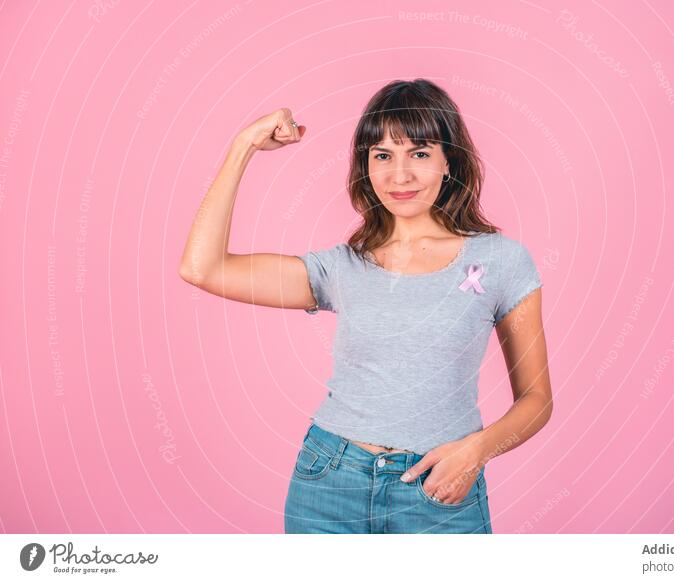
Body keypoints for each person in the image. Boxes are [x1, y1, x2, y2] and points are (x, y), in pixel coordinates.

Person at [179, 78, 553, 534]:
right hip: (330, 482)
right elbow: (203, 268)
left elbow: (536, 400)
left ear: (449, 161)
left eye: (419, 153)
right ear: (365, 166)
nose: (400, 175)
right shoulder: (342, 267)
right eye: (382, 156)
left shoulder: (501, 260)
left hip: (439, 487)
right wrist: (244, 146)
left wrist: (475, 451)